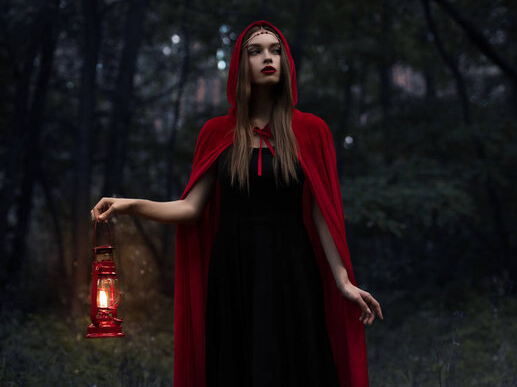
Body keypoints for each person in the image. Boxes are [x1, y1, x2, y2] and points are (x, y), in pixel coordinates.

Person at [91, 20, 383, 387]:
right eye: (256, 51)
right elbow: (191, 209)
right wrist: (129, 205)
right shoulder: (217, 133)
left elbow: (321, 213)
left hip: (292, 270)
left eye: (276, 50)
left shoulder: (310, 130)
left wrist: (342, 280)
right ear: (240, 65)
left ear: (285, 62)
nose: (268, 58)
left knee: (296, 368)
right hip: (233, 272)